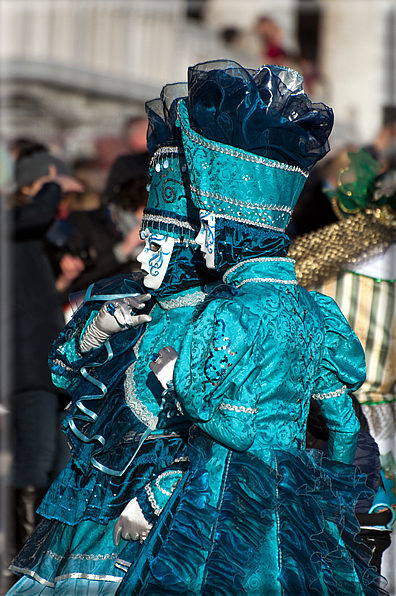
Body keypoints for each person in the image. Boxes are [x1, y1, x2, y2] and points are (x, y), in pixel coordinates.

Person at [118, 61, 385, 595]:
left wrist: (183, 381)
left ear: (229, 234)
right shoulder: (318, 313)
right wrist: (325, 498)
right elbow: (345, 427)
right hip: (297, 499)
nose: (198, 242)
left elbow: (217, 419)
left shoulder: (225, 312)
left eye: (207, 231)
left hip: (221, 504)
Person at [6, 83, 220, 595]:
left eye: (156, 245)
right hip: (96, 499)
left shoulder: (220, 312)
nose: (144, 257)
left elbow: (236, 425)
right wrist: (99, 329)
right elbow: (59, 368)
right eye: (144, 242)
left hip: (176, 498)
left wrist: (155, 495)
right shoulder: (120, 295)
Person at [9, 145, 82, 554]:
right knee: (34, 459)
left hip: (46, 362)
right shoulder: (12, 223)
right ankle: (21, 557)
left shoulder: (27, 239)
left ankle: (44, 554)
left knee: (57, 462)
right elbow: (36, 214)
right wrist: (52, 181)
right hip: (25, 365)